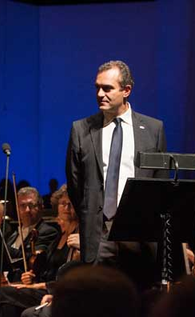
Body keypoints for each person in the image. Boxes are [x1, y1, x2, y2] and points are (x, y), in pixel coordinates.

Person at [65, 60, 167, 288]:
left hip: (138, 234)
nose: (100, 94)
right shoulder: (81, 129)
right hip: (98, 233)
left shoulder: (153, 129)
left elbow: (158, 181)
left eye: (107, 88)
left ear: (127, 90)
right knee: (98, 303)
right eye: (97, 87)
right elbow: (75, 184)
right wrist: (92, 216)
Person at [0, 185, 79, 317]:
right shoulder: (59, 238)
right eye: (63, 203)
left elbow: (69, 278)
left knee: (4, 293)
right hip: (43, 287)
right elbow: (45, 266)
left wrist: (37, 285)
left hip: (54, 290)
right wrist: (31, 277)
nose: (67, 208)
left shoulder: (76, 238)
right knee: (4, 298)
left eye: (71, 204)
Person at [5, 187, 58, 282]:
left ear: (41, 206)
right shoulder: (13, 234)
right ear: (17, 209)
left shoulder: (48, 232)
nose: (27, 210)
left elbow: (34, 260)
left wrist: (4, 248)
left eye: (31, 205)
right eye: (22, 205)